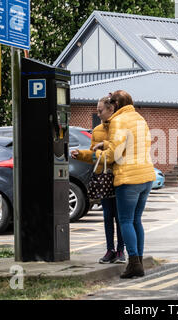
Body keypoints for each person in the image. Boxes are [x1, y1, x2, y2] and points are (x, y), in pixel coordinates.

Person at [93, 90, 155, 279]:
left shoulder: (118, 121)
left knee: (125, 220)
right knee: (136, 220)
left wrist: (99, 154)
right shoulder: (140, 119)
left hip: (129, 179)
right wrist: (107, 144)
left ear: (116, 106)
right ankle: (139, 262)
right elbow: (137, 143)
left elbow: (115, 154)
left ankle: (133, 263)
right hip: (146, 175)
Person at [70, 97, 126, 264]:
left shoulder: (120, 127)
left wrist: (105, 144)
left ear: (111, 110)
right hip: (104, 178)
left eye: (101, 110)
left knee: (120, 217)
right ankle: (110, 250)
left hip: (119, 176)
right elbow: (95, 155)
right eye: (97, 110)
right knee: (108, 215)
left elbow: (121, 150)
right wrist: (81, 154)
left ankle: (121, 251)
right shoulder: (97, 130)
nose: (98, 113)